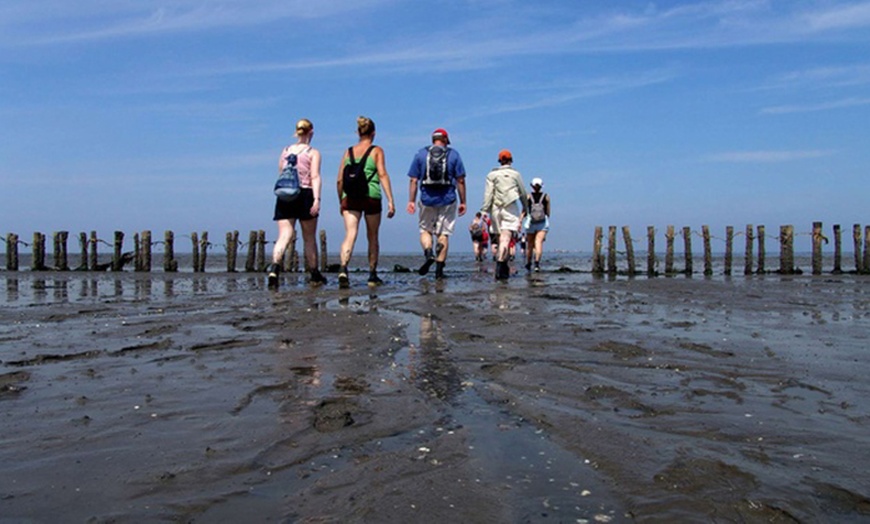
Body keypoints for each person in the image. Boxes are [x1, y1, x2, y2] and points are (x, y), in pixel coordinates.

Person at [336, 116, 396, 289]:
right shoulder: (377, 151)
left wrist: (341, 199)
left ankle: (343, 268)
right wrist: (391, 200)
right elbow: (383, 174)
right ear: (373, 133)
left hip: (350, 197)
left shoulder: (348, 152)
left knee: (350, 233)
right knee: (372, 236)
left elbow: (340, 180)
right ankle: (372, 274)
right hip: (371, 196)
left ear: (358, 132)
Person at [267, 118, 326, 288]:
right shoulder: (312, 152)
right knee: (309, 238)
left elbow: (281, 172)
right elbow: (315, 176)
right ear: (311, 132)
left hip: (285, 195)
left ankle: (274, 268)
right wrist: (317, 199)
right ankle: (314, 274)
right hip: (305, 193)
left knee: (284, 235)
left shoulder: (285, 151)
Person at [406, 128, 467, 279]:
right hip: (448, 199)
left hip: (426, 199)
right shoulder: (453, 155)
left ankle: (428, 253)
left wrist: (411, 201)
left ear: (433, 139)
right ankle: (439, 273)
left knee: (425, 230)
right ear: (446, 140)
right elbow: (460, 180)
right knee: (443, 234)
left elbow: (413, 179)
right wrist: (463, 201)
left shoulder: (421, 154)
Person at [481, 149, 528, 280]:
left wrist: (484, 210)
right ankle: (501, 266)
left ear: (499, 161)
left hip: (495, 209)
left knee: (499, 239)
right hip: (510, 208)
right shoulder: (515, 174)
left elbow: (488, 194)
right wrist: (525, 207)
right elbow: (523, 193)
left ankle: (501, 266)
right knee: (505, 240)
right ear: (511, 160)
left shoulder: (491, 175)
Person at [523, 177, 551, 272]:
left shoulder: (528, 196)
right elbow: (548, 211)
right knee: (538, 242)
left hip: (531, 222)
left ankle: (528, 263)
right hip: (542, 223)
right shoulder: (546, 196)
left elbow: (525, 210)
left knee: (530, 244)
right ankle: (537, 264)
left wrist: (521, 219)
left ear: (532, 185)